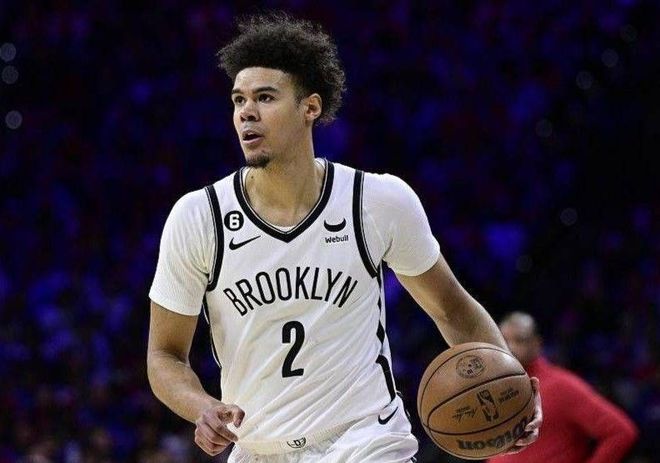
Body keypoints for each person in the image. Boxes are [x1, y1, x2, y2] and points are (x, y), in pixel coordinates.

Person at [146, 13, 542, 463]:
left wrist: (510, 388)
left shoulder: (376, 201)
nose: (246, 112)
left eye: (265, 97)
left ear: (310, 107)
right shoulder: (200, 217)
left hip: (365, 440)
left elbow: (451, 307)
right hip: (258, 448)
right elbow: (164, 355)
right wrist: (201, 407)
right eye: (239, 100)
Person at [489, 312, 638, 463]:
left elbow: (621, 431)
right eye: (504, 341)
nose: (510, 347)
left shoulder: (563, 387)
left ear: (536, 343)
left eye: (519, 340)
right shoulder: (491, 388)